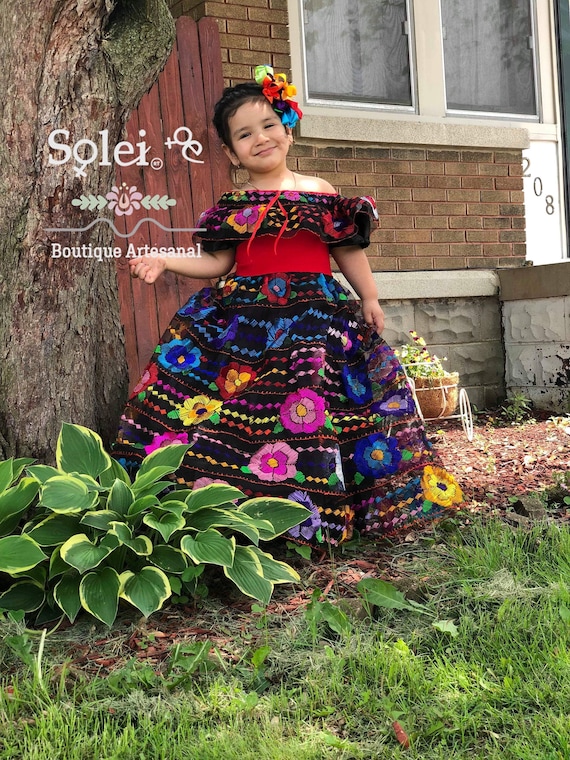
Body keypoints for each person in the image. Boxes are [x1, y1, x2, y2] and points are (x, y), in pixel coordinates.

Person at [112, 65, 463, 546]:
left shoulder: (319, 193)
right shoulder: (233, 205)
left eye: (268, 126)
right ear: (230, 152)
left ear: (287, 128)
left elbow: (347, 252)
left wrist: (371, 296)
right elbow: (216, 262)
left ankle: (328, 508)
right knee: (248, 409)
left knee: (324, 405)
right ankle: (248, 508)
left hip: (316, 318)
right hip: (249, 323)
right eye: (244, 134)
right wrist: (163, 259)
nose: (259, 139)